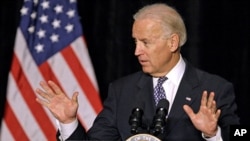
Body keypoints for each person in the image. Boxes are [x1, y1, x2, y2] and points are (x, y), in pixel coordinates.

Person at [36, 3, 240, 141]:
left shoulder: (215, 89)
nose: (136, 51)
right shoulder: (121, 91)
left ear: (173, 42)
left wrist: (213, 134)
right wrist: (68, 122)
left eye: (146, 42)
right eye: (135, 41)